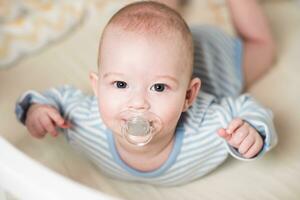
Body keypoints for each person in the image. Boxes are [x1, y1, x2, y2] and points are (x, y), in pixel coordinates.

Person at [15, 1, 277, 186]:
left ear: (188, 96)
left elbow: (249, 109)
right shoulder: (83, 120)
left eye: (159, 88)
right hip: (159, 52)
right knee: (154, 22)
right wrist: (37, 110)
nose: (138, 103)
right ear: (96, 87)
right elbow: (55, 99)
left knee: (262, 48)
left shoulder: (212, 127)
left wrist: (252, 131)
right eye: (120, 85)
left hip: (213, 60)